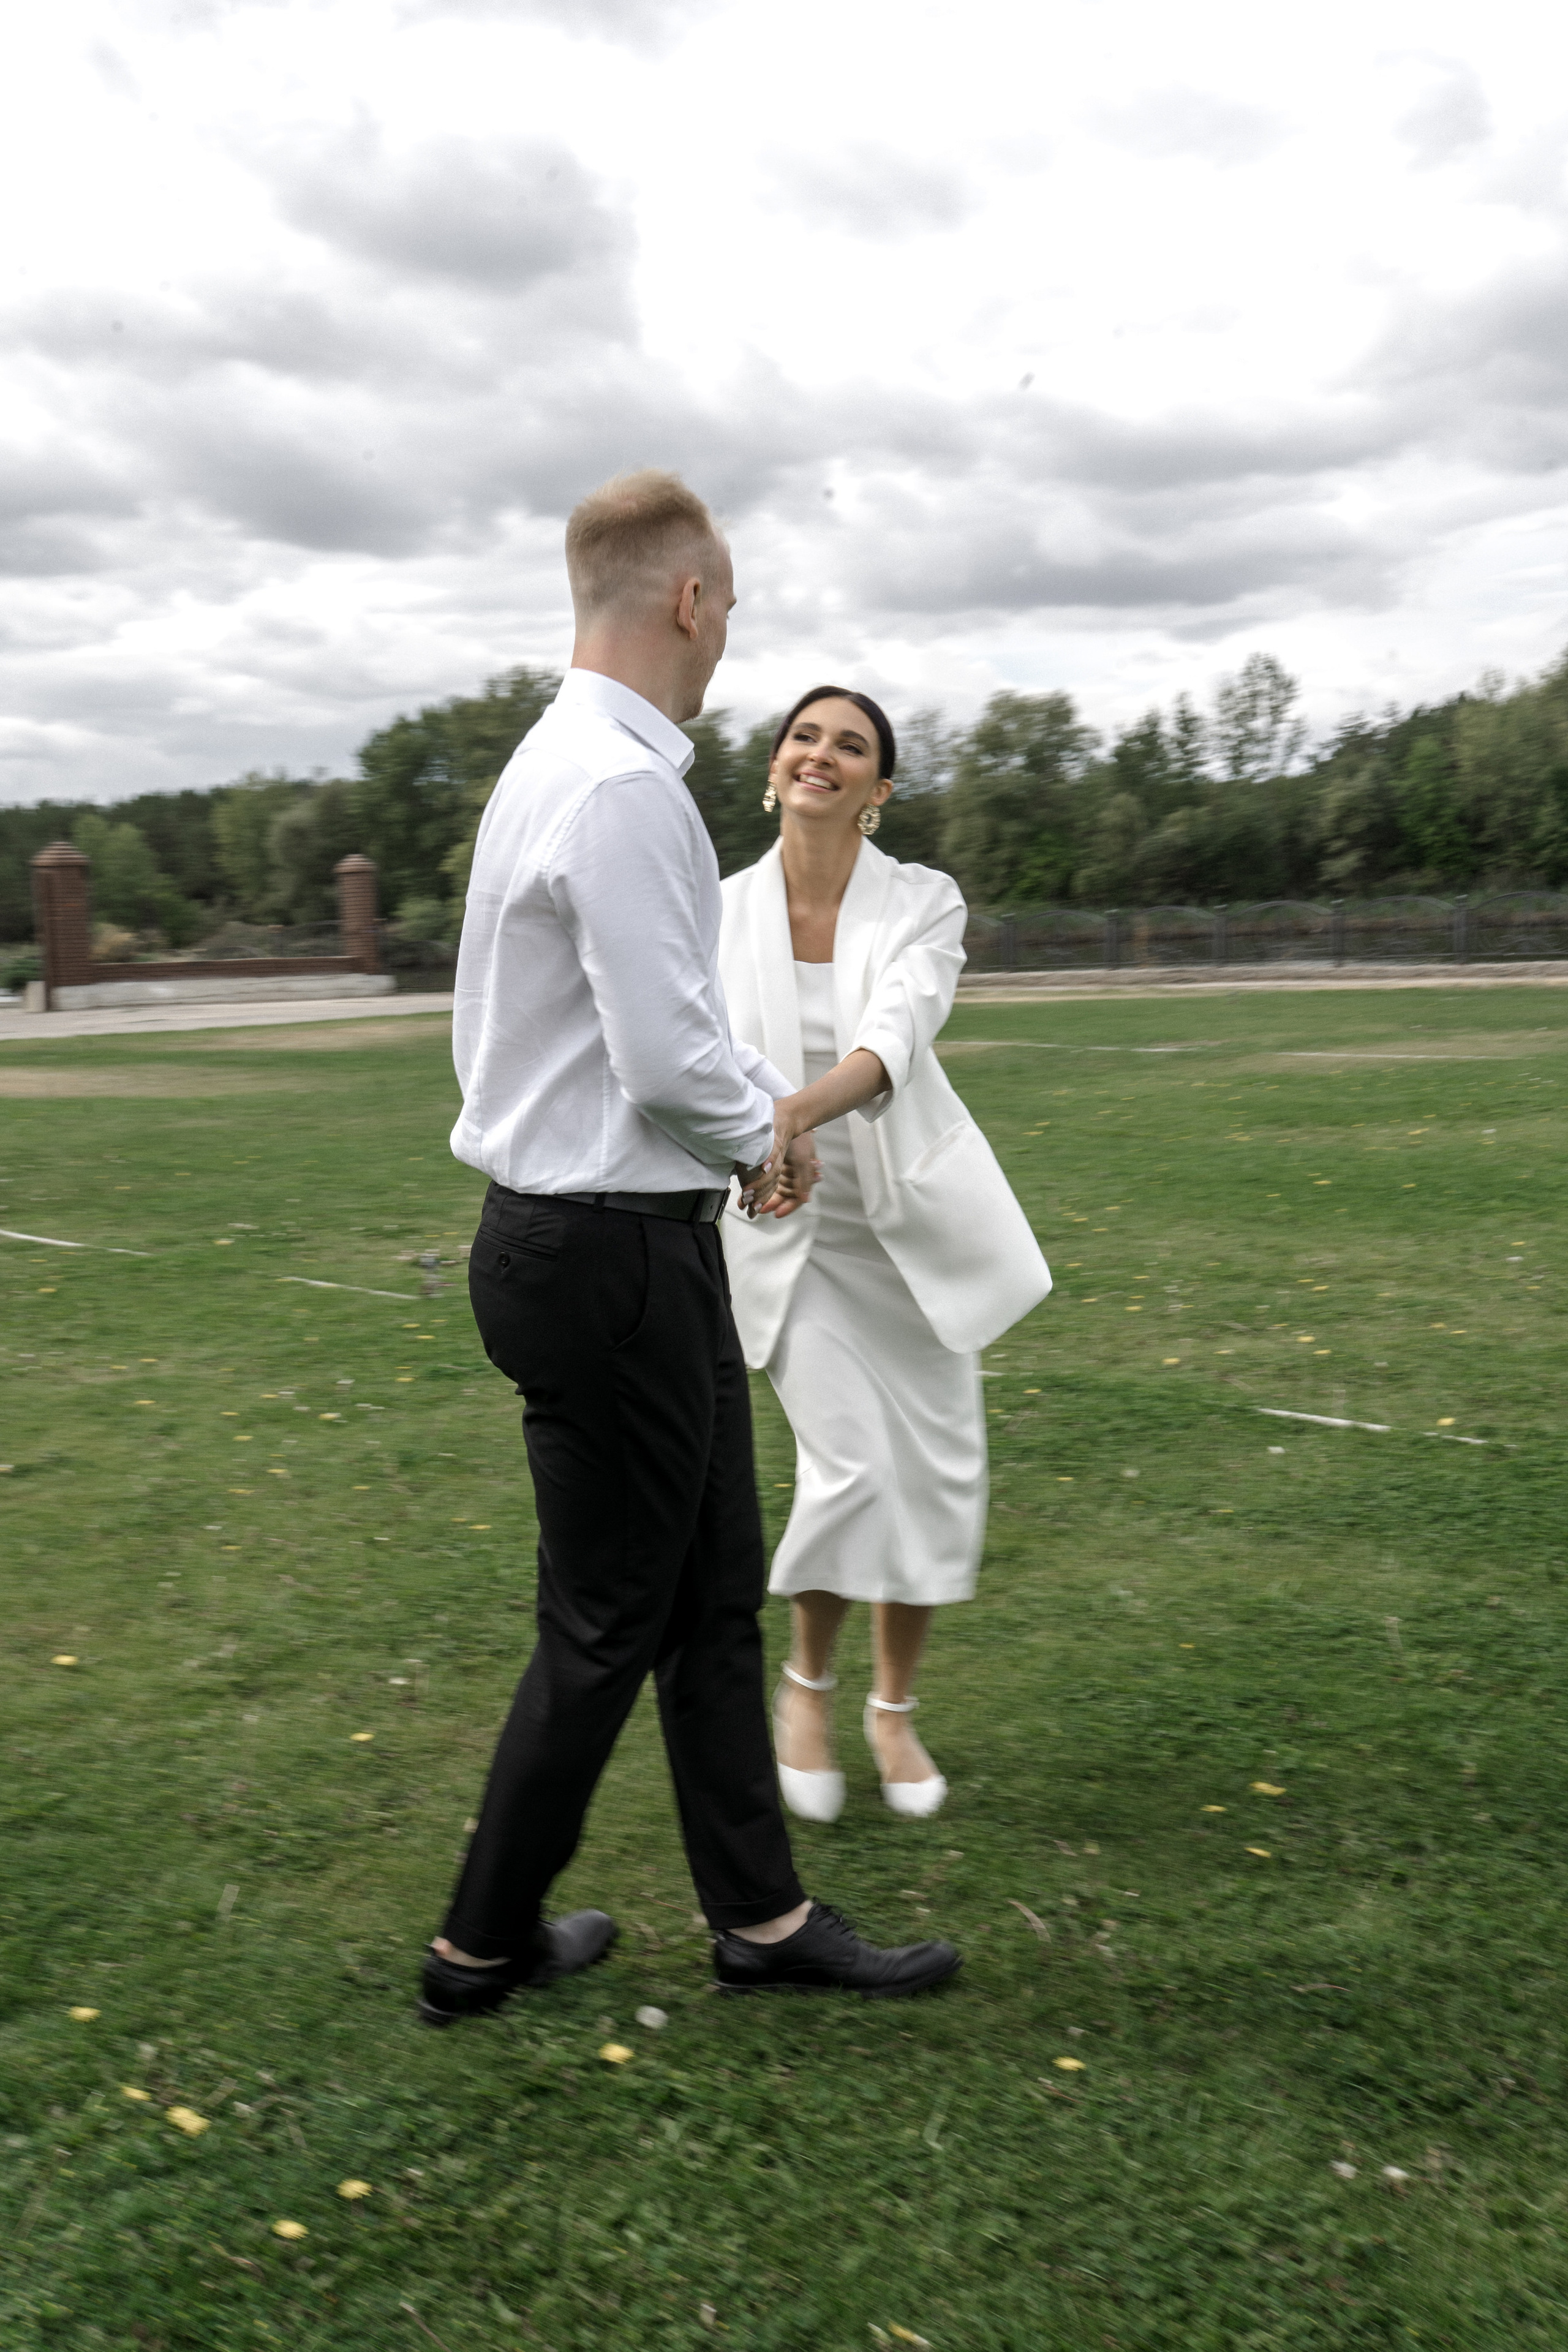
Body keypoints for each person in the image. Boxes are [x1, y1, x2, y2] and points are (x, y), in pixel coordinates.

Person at [420, 476, 962, 2022]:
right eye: (726, 606)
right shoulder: (619, 787)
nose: (729, 641)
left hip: (613, 1248)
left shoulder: (555, 762)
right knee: (606, 1624)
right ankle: (478, 1945)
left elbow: (643, 1045)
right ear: (689, 604)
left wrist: (731, 1142)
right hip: (605, 1259)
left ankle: (762, 1921)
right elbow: (664, 1055)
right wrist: (768, 1137)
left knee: (709, 1585)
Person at [718, 687, 1051, 1823]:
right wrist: (770, 1144)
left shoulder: (924, 901)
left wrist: (795, 1114)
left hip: (907, 1233)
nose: (823, 756)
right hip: (784, 1231)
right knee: (853, 1465)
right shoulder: (716, 912)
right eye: (805, 738)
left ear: (879, 790)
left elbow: (895, 1035)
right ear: (774, 766)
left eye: (850, 747)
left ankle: (894, 1710)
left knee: (938, 1477)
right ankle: (806, 1689)